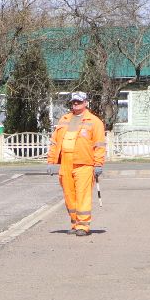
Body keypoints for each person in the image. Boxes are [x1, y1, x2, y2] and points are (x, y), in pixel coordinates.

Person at [46, 91, 106, 236]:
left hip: (84, 164)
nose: (76, 104)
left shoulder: (94, 121)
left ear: (86, 102)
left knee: (82, 195)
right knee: (69, 195)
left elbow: (99, 145)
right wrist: (51, 161)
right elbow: (55, 142)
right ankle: (74, 223)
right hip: (65, 163)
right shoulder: (64, 119)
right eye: (74, 102)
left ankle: (83, 226)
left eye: (79, 101)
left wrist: (98, 164)